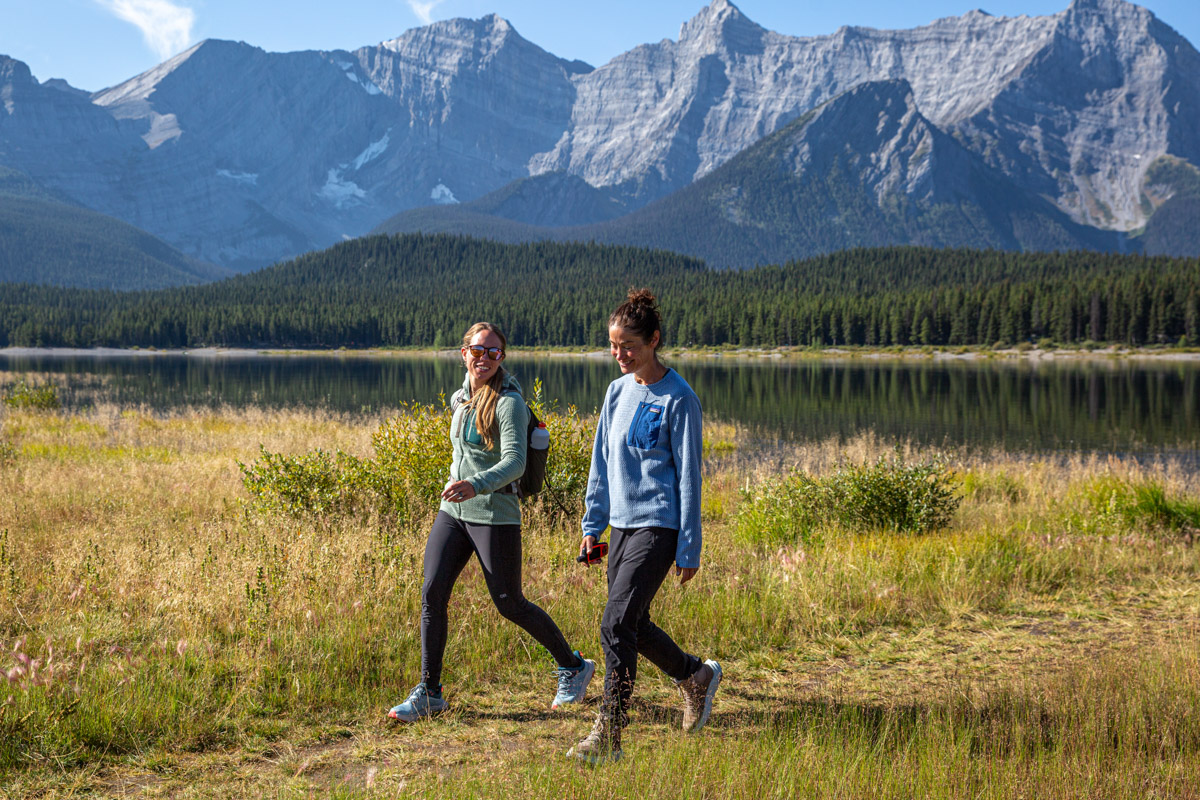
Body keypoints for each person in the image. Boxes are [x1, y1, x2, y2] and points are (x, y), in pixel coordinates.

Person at [389, 322, 596, 721]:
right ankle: (430, 692)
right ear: (463, 352)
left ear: (501, 357)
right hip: (454, 513)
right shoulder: (462, 398)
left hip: (494, 515)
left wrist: (474, 484)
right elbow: (462, 452)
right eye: (477, 350)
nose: (483, 358)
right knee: (432, 594)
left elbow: (516, 463)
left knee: (509, 603)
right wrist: (456, 481)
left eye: (493, 352)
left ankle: (573, 666)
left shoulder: (509, 403)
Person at [567, 289, 721, 765]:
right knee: (633, 621)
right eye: (614, 345)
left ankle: (610, 734)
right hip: (622, 526)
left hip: (660, 526)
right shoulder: (617, 391)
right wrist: (593, 524)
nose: (620, 354)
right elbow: (601, 463)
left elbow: (691, 478)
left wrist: (689, 548)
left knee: (615, 622)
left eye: (628, 345)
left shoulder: (680, 398)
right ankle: (695, 676)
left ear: (654, 340)